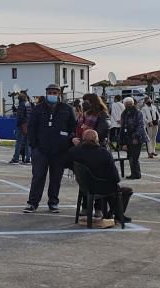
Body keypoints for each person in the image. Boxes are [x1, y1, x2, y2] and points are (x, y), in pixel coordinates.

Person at [24, 84, 76, 214]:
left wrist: (66, 144)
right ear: (46, 93)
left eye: (55, 92)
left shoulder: (67, 109)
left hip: (59, 151)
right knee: (37, 177)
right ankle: (32, 203)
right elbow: (31, 127)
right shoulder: (38, 109)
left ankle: (53, 203)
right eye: (50, 92)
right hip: (41, 150)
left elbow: (72, 127)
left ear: (59, 94)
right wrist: (34, 145)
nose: (52, 94)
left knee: (56, 178)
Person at [66, 129, 133, 227]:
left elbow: (66, 163)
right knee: (124, 190)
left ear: (82, 139)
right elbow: (115, 177)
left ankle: (111, 215)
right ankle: (114, 215)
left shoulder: (74, 151)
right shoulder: (104, 153)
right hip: (101, 186)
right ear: (96, 140)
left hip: (84, 186)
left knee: (109, 187)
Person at [118, 97, 148, 180]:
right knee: (130, 156)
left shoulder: (138, 113)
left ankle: (136, 173)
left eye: (129, 104)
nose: (128, 105)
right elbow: (122, 126)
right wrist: (122, 139)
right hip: (127, 137)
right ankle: (134, 173)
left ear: (133, 104)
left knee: (135, 156)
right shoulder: (124, 114)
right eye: (126, 104)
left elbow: (140, 126)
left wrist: (135, 136)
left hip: (136, 138)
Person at [10, 92, 33, 164]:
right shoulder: (28, 104)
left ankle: (16, 158)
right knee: (28, 143)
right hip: (29, 125)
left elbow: (21, 116)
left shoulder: (21, 105)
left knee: (19, 143)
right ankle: (28, 158)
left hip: (22, 126)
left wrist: (23, 126)